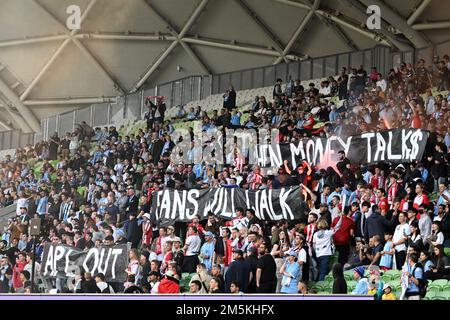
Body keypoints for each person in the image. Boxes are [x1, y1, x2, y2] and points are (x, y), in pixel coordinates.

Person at [313, 214, 343, 281]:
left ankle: (319, 283)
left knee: (321, 269)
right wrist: (341, 218)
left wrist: (317, 251)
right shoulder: (328, 233)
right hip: (325, 254)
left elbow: (314, 245)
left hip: (318, 254)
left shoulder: (315, 234)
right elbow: (338, 226)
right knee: (323, 271)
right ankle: (320, 285)